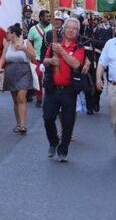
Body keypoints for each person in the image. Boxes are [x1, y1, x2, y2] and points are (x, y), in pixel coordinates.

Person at [42, 17, 85, 162]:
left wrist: (62, 52)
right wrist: (51, 60)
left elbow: (75, 64)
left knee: (68, 123)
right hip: (52, 89)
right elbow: (45, 60)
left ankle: (63, 149)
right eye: (69, 27)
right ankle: (53, 141)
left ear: (78, 31)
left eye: (75, 28)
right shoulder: (54, 44)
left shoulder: (78, 47)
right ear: (64, 29)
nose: (71, 30)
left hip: (69, 90)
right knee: (48, 118)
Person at [0, 24, 36, 134]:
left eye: (8, 33)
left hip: (24, 70)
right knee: (15, 99)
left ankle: (23, 124)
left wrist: (24, 49)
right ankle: (18, 123)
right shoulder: (8, 44)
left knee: (21, 97)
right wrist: (0, 68)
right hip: (10, 71)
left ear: (13, 33)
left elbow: (33, 56)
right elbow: (3, 58)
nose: (6, 35)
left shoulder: (25, 42)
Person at [28, 10, 52, 107]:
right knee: (38, 76)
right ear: (41, 17)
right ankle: (39, 97)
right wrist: (31, 55)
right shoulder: (33, 29)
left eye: (49, 16)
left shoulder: (52, 28)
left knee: (48, 77)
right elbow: (29, 42)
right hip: (37, 57)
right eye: (47, 16)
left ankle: (48, 97)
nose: (49, 18)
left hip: (49, 58)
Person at [96, 35, 116, 147]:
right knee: (114, 122)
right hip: (114, 88)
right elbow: (102, 63)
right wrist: (98, 78)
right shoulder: (110, 44)